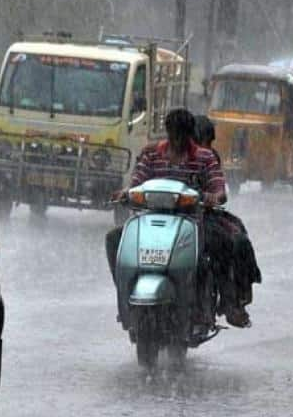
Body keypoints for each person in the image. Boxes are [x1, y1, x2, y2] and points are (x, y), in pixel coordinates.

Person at [105, 109, 251, 327]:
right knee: (114, 239)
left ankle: (220, 304)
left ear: (189, 134)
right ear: (168, 132)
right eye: (174, 134)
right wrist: (125, 193)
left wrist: (214, 196)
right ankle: (126, 296)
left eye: (182, 135)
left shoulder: (205, 158)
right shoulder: (152, 155)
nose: (177, 141)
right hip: (151, 220)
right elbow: (137, 182)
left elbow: (218, 188)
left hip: (192, 221)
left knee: (214, 249)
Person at [194, 115, 262, 309]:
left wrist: (210, 197)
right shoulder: (169, 156)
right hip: (176, 217)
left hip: (203, 215)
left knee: (236, 237)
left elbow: (218, 189)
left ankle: (234, 299)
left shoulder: (209, 157)